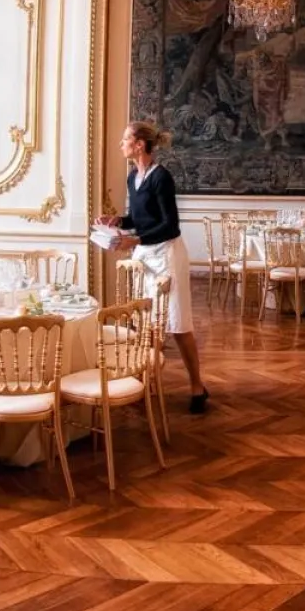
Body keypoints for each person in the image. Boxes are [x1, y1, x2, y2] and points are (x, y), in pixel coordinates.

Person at [96, 122, 209, 412]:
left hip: (167, 254)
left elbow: (169, 226)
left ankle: (197, 386)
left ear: (140, 145)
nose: (121, 144)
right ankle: (145, 385)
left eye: (125, 139)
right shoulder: (133, 176)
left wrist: (133, 240)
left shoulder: (162, 178)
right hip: (144, 255)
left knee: (177, 323)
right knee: (146, 323)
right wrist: (117, 221)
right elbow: (138, 217)